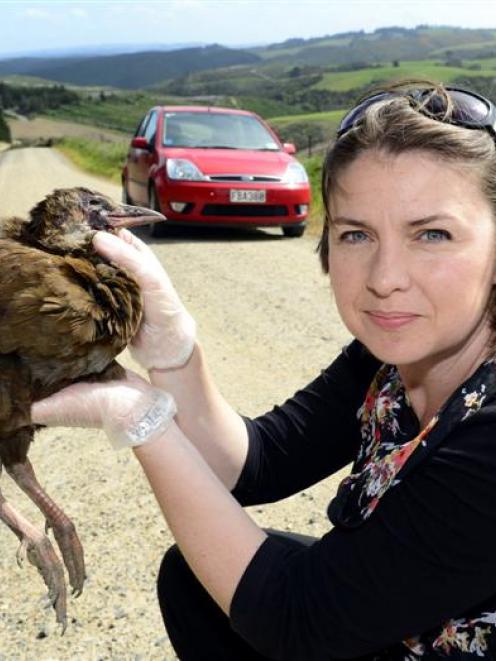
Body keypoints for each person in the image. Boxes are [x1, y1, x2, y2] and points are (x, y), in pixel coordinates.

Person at [32, 80, 496, 660]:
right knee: (197, 582)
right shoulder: (393, 358)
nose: (384, 277)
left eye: (432, 234)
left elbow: (296, 618)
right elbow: (257, 463)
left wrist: (139, 418)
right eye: (356, 233)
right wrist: (172, 350)